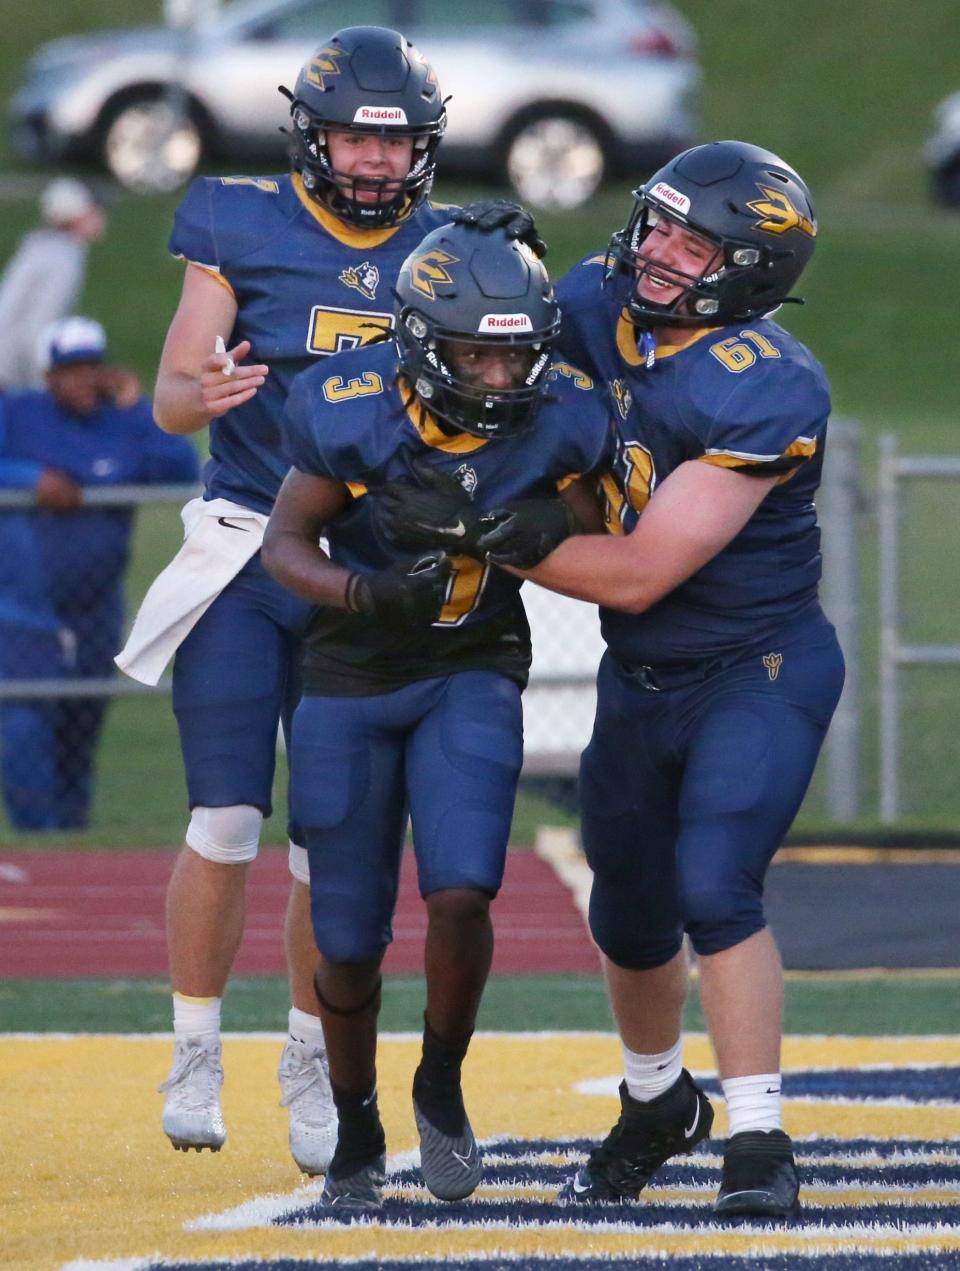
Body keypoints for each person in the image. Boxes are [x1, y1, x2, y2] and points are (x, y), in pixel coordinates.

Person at [383, 142, 845, 1219]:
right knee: (627, 915)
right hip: (642, 677)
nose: (660, 250)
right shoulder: (595, 297)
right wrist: (462, 245)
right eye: (661, 222)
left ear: (751, 270)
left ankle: (759, 1138)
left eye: (695, 242)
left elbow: (638, 574)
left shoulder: (767, 384)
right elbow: (465, 318)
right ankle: (655, 1102)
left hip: (756, 664)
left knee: (715, 884)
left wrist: (482, 535)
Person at [113, 25, 518, 1173]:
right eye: (357, 137)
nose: (379, 162)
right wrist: (209, 387)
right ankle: (194, 1041)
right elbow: (171, 402)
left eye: (398, 143)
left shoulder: (450, 244)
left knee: (323, 845)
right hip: (250, 547)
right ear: (312, 134)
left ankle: (305, 1050)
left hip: (367, 564)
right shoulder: (239, 220)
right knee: (226, 819)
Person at [261, 220, 611, 1209]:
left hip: (472, 664)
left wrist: (555, 525)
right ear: (421, 341)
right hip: (350, 678)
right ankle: (358, 1120)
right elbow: (286, 540)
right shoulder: (351, 407)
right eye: (477, 351)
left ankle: (440, 1084)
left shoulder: (564, 415)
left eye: (515, 349)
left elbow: (605, 521)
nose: (501, 373)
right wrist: (361, 594)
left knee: (462, 889)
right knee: (345, 935)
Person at [0, 316, 198, 830]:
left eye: (92, 367)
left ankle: (71, 832)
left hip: (95, 607)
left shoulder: (122, 421)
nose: (84, 379)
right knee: (23, 725)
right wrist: (29, 480)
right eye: (72, 370)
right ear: (49, 376)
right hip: (23, 607)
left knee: (81, 723)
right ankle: (35, 829)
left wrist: (138, 407)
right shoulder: (18, 413)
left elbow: (181, 466)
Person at [0, 180, 106, 391]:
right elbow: (38, 327)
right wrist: (44, 385)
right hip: (11, 373)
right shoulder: (63, 258)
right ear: (76, 216)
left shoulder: (42, 248)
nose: (102, 217)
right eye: (94, 210)